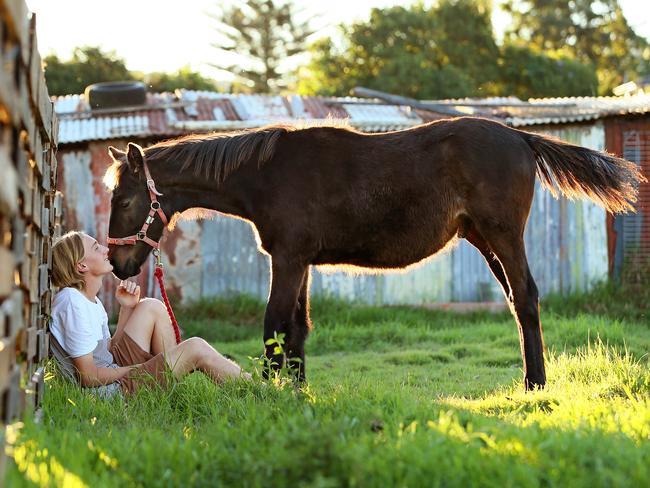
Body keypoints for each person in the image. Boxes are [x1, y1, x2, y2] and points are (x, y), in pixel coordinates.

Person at [49, 230, 250, 398]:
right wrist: (141, 369)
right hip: (111, 393)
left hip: (114, 372)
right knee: (195, 347)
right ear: (81, 266)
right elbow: (89, 377)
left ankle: (170, 378)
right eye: (96, 248)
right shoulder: (71, 303)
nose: (105, 249)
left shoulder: (90, 300)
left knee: (150, 307)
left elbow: (109, 350)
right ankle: (258, 390)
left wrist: (127, 307)